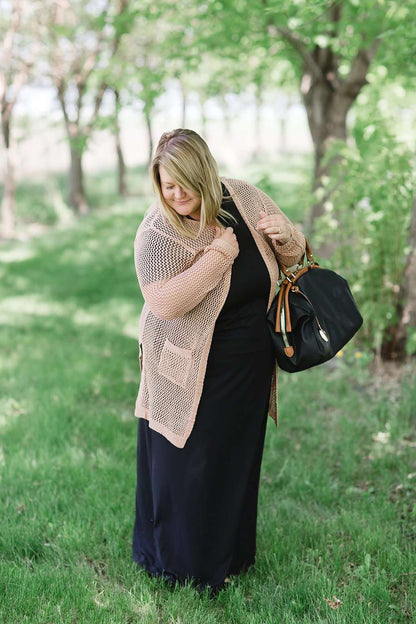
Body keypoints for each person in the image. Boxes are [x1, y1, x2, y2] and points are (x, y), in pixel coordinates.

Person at [132, 128, 306, 592]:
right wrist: (217, 258)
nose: (177, 194)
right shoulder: (158, 229)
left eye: (186, 183)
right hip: (184, 366)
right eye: (167, 185)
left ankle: (230, 557)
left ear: (207, 173)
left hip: (246, 364)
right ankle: (180, 566)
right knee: (184, 465)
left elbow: (297, 257)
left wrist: (288, 236)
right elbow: (165, 302)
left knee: (233, 460)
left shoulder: (245, 199)